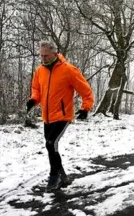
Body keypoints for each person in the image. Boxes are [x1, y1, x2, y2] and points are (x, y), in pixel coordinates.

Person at [26, 41, 94, 192]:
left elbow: (86, 91)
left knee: (51, 144)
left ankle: (54, 177)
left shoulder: (68, 70)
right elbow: (36, 90)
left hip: (63, 115)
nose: (43, 58)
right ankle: (63, 176)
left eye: (46, 55)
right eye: (41, 55)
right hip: (47, 116)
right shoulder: (39, 71)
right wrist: (33, 100)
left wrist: (85, 108)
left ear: (55, 53)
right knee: (52, 148)